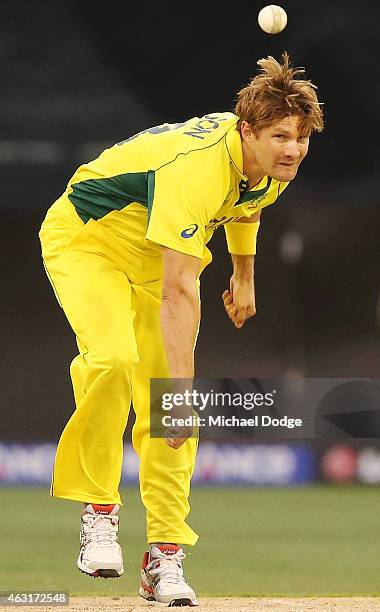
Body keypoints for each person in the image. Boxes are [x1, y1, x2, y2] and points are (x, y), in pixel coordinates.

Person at [38, 51, 323, 606]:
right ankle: (99, 509)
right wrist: (184, 395)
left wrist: (244, 272)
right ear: (248, 131)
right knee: (120, 365)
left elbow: (248, 203)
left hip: (153, 259)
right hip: (88, 240)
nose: (293, 149)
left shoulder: (273, 167)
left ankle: (163, 558)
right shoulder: (196, 170)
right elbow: (180, 292)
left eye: (301, 136)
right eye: (281, 136)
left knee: (167, 410)